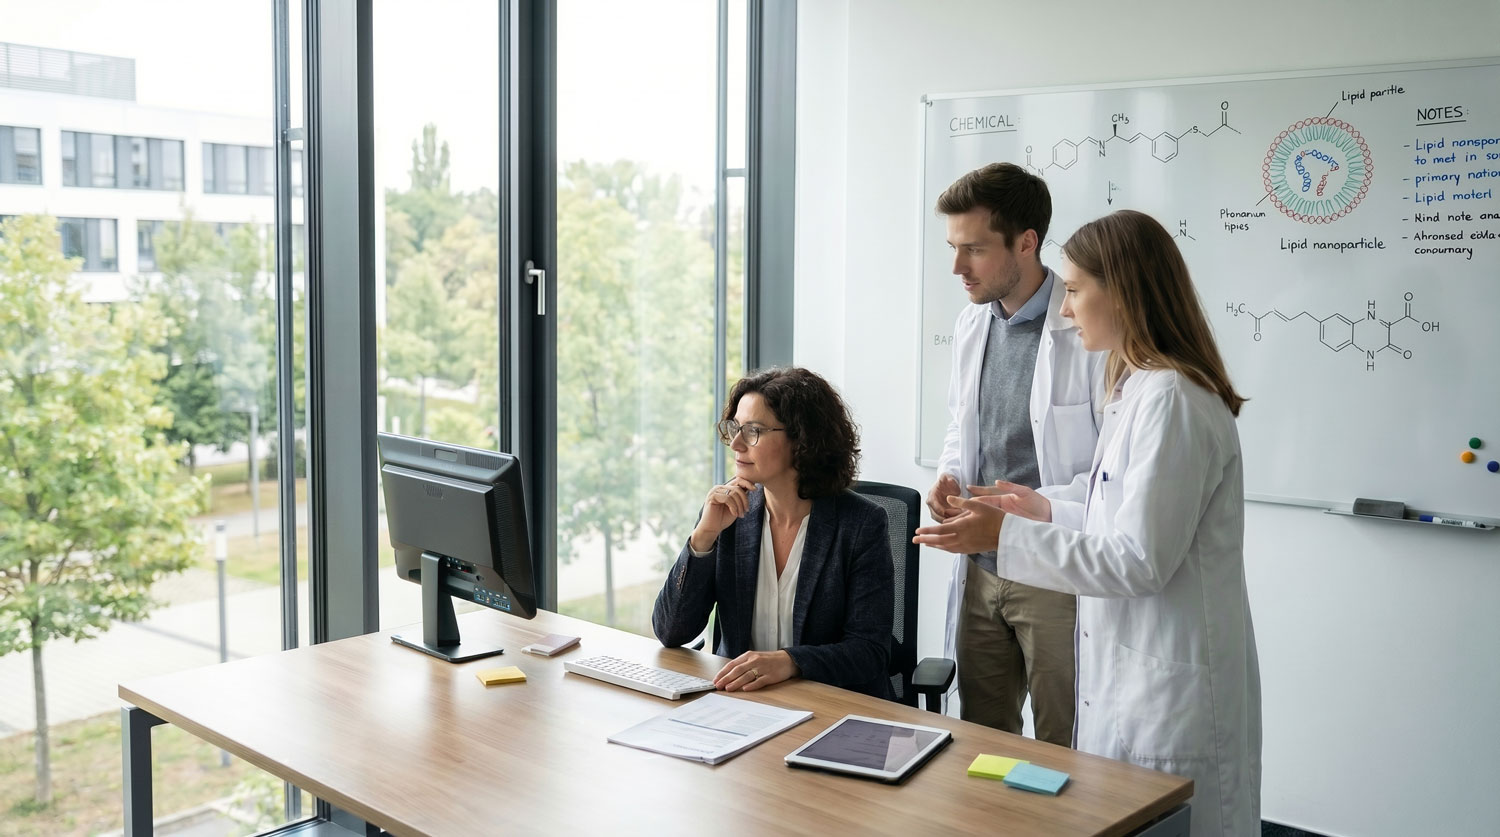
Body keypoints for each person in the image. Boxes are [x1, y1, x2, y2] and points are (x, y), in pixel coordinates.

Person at [915, 209, 1262, 836]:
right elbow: (1113, 506)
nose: (1066, 311)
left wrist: (1005, 537)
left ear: (1124, 292)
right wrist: (1038, 506)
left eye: (1074, 291)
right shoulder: (1138, 389)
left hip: (1167, 692)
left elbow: (1139, 559)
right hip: (1127, 678)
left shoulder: (1175, 401)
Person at [929, 162, 1107, 743]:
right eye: (955, 248)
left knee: (1067, 742)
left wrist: (1019, 513)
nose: (957, 267)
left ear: (1026, 243)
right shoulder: (971, 323)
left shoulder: (1088, 332)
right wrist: (949, 474)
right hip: (981, 568)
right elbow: (962, 424)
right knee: (982, 740)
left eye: (974, 249)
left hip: (1052, 570)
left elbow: (1109, 472)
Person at [652, 366, 895, 699]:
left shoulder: (861, 524)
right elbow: (670, 631)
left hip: (828, 707)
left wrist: (790, 662)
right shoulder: (728, 514)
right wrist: (703, 536)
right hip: (741, 703)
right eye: (735, 429)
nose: (736, 444)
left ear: (802, 439)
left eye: (753, 431)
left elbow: (870, 653)